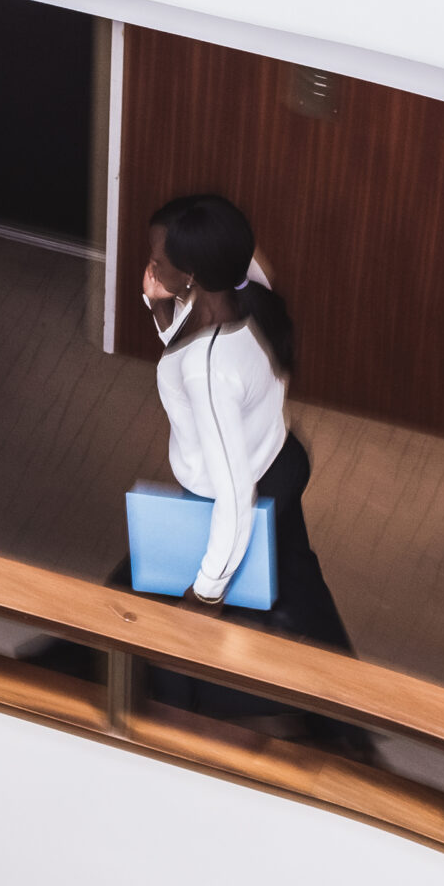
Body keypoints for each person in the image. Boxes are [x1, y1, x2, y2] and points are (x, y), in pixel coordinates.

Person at [136, 192, 362, 745]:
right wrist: (162, 307)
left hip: (232, 502)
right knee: (298, 592)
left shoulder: (208, 370)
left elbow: (234, 493)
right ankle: (343, 716)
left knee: (194, 627)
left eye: (159, 260)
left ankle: (252, 733)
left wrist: (206, 592)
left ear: (191, 274)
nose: (150, 267)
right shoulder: (245, 285)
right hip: (280, 464)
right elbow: (195, 340)